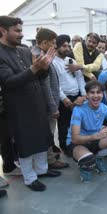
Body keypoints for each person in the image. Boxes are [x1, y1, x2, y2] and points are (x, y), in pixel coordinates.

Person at [0, 16, 59, 191]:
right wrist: (34, 68)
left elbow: (37, 77)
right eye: (17, 30)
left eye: (21, 30)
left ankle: (41, 170)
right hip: (18, 107)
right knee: (26, 143)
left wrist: (44, 68)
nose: (21, 34)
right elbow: (9, 81)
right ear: (3, 31)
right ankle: (30, 178)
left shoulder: (24, 50)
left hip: (37, 102)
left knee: (42, 138)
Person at [66, 80, 107, 182]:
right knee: (88, 161)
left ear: (102, 94)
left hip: (95, 139)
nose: (96, 95)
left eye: (98, 92)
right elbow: (75, 138)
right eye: (92, 92)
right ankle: (86, 165)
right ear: (87, 95)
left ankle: (97, 157)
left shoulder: (104, 108)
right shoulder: (79, 109)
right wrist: (96, 136)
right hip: (77, 143)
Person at [32, 28, 69, 170]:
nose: (55, 46)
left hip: (48, 102)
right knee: (48, 133)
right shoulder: (40, 57)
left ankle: (48, 158)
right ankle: (49, 161)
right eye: (53, 43)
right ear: (45, 42)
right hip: (47, 104)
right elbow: (45, 85)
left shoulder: (44, 54)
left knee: (48, 133)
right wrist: (54, 107)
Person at [52, 34, 86, 155]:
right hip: (64, 98)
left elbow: (80, 79)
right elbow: (55, 84)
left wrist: (84, 95)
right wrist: (64, 98)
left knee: (77, 121)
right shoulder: (53, 62)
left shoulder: (71, 61)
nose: (67, 48)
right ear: (57, 46)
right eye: (64, 46)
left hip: (77, 96)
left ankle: (77, 143)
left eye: (68, 46)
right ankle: (64, 147)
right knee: (63, 124)